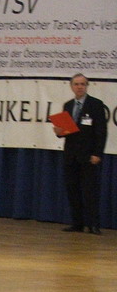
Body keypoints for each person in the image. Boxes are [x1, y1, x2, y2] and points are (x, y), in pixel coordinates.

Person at [53, 73, 108, 235]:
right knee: (73, 190)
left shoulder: (96, 104)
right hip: (71, 155)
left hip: (88, 156)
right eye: (76, 84)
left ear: (87, 86)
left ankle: (93, 225)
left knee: (90, 191)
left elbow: (101, 132)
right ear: (71, 86)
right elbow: (65, 132)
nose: (79, 87)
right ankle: (77, 223)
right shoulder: (68, 105)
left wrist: (97, 153)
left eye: (83, 84)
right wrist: (59, 132)